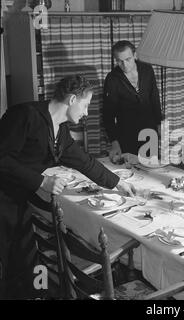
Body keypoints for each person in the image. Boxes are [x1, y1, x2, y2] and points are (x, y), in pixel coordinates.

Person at [0, 75, 136, 299]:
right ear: (72, 99)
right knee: (17, 262)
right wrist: (42, 181)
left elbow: (84, 161)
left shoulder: (60, 131)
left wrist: (120, 183)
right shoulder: (24, 115)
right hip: (4, 199)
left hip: (17, 198)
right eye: (85, 105)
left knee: (27, 259)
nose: (86, 113)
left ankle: (37, 294)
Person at [102, 40, 162, 161]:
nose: (124, 65)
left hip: (150, 132)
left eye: (128, 59)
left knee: (153, 169)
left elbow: (154, 98)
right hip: (127, 135)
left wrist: (159, 124)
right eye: (120, 61)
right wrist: (114, 142)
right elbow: (108, 115)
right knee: (132, 173)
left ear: (135, 55)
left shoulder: (147, 69)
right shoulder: (112, 79)